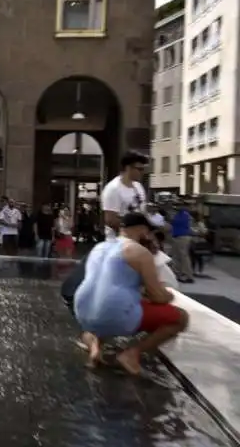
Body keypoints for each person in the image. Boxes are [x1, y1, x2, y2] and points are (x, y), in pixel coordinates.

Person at [74, 213, 189, 374]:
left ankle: (95, 346)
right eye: (149, 233)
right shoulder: (139, 252)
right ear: (143, 230)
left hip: (82, 313)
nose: (150, 237)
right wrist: (170, 295)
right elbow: (158, 296)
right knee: (181, 318)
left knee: (107, 306)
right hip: (113, 314)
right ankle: (132, 354)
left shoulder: (98, 247)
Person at [101, 151, 149, 240]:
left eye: (143, 169)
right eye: (139, 169)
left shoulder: (139, 187)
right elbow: (110, 220)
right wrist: (132, 231)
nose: (142, 172)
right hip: (117, 242)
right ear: (128, 168)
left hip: (137, 241)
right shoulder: (113, 188)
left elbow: (143, 212)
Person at [170, 204, 194, 283]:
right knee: (176, 256)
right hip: (177, 236)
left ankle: (188, 275)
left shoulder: (185, 214)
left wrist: (170, 217)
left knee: (184, 256)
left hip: (183, 236)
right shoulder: (178, 214)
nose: (177, 207)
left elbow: (174, 221)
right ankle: (177, 274)